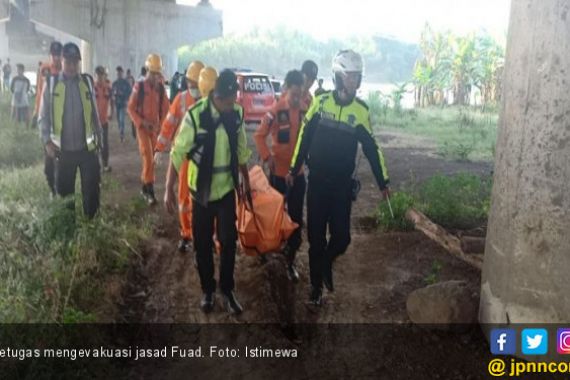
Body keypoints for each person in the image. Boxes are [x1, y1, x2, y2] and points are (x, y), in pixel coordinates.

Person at [288, 50, 390, 306]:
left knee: (342, 238)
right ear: (337, 77)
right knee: (316, 240)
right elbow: (304, 136)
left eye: (357, 77)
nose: (354, 81)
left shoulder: (361, 111)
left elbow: (371, 148)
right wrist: (294, 168)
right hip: (318, 184)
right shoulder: (320, 104)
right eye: (349, 76)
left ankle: (325, 265)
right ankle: (315, 289)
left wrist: (383, 182)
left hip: (342, 188)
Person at [168, 69, 252, 315]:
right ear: (217, 95)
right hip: (201, 192)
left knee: (228, 242)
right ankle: (207, 290)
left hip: (226, 189)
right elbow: (178, 152)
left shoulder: (235, 114)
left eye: (233, 100)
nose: (231, 105)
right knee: (202, 244)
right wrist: (168, 188)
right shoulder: (196, 116)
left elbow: (242, 150)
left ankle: (227, 290)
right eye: (228, 101)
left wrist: (245, 181)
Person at [253, 69, 308, 282]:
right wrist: (267, 157)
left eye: (300, 94)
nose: (297, 99)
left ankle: (290, 261)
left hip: (298, 175)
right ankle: (266, 252)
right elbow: (259, 136)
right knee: (274, 218)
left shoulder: (305, 110)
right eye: (294, 94)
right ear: (286, 89)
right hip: (278, 175)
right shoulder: (275, 111)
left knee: (295, 221)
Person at [39, 42, 102, 218]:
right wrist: (47, 142)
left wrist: (100, 142)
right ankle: (69, 231)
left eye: (75, 62)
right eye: (69, 62)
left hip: (87, 151)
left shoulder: (87, 82)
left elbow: (95, 115)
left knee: (92, 193)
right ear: (62, 61)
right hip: (63, 152)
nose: (72, 66)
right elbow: (43, 117)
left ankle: (92, 228)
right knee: (65, 195)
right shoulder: (51, 84)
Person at [156, 60, 204, 253]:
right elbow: (168, 125)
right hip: (184, 157)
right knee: (184, 198)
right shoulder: (181, 100)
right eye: (190, 83)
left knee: (202, 198)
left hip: (203, 159)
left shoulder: (210, 101)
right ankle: (186, 234)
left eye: (195, 84)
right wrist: (159, 148)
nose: (191, 87)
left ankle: (203, 234)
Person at [127, 54, 170, 205]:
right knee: (148, 157)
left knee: (152, 161)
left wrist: (162, 128)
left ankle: (145, 187)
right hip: (142, 128)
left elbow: (166, 110)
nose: (155, 76)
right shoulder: (138, 87)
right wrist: (141, 122)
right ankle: (149, 190)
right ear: (147, 71)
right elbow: (130, 108)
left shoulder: (161, 89)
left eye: (157, 73)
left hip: (155, 129)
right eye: (153, 73)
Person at [35, 41, 63, 197]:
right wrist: (36, 113)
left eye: (58, 55)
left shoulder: (66, 71)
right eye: (54, 55)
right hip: (46, 118)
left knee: (60, 161)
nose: (56, 58)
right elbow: (39, 91)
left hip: (61, 123)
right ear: (50, 55)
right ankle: (52, 188)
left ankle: (60, 191)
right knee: (48, 163)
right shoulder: (44, 69)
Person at [94, 66, 113, 172]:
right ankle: (95, 166)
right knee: (94, 144)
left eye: (102, 75)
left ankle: (105, 165)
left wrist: (111, 112)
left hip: (104, 121)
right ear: (95, 76)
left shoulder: (108, 88)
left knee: (104, 144)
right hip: (93, 122)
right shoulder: (91, 87)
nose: (100, 78)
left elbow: (111, 101)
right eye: (98, 75)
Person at [112, 66, 132, 142]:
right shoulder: (115, 83)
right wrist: (115, 94)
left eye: (120, 73)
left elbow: (129, 92)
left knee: (121, 119)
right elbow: (112, 93)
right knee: (118, 120)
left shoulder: (126, 83)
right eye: (118, 73)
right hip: (117, 104)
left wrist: (124, 96)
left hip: (123, 104)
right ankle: (121, 131)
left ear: (122, 73)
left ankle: (122, 133)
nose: (119, 74)